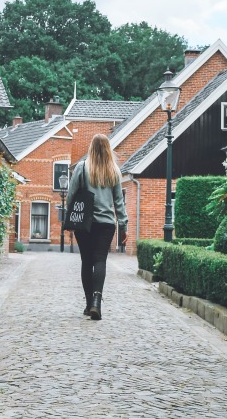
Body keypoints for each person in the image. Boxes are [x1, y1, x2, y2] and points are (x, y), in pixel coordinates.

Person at [64, 134, 128, 320]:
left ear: (91, 148)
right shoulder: (114, 171)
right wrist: (123, 224)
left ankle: (87, 304)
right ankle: (96, 303)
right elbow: (119, 202)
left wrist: (70, 217)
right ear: (108, 149)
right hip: (106, 224)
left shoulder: (82, 168)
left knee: (86, 261)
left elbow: (71, 195)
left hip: (85, 223)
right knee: (100, 260)